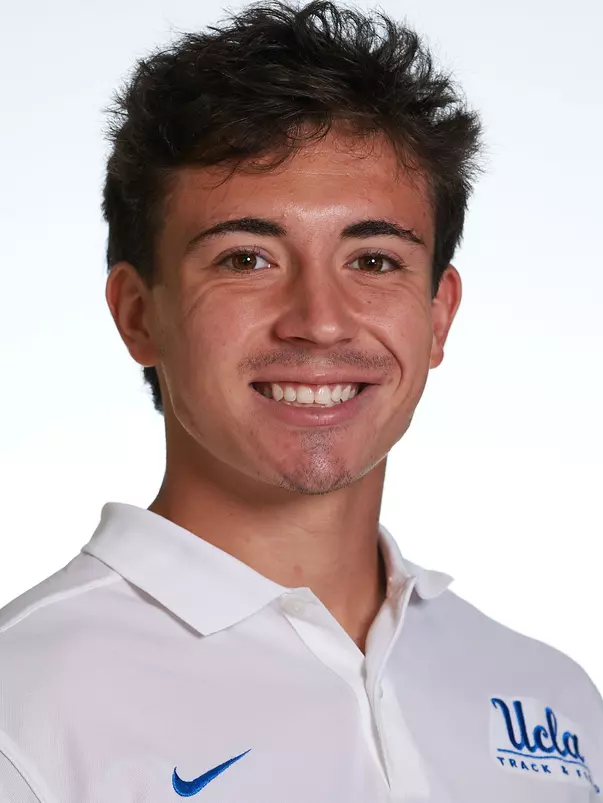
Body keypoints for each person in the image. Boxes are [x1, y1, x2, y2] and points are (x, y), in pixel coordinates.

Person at [1, 1, 601, 801]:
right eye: (246, 257)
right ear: (140, 315)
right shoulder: (25, 705)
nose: (319, 321)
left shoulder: (552, 696)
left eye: (375, 260)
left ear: (437, 315)